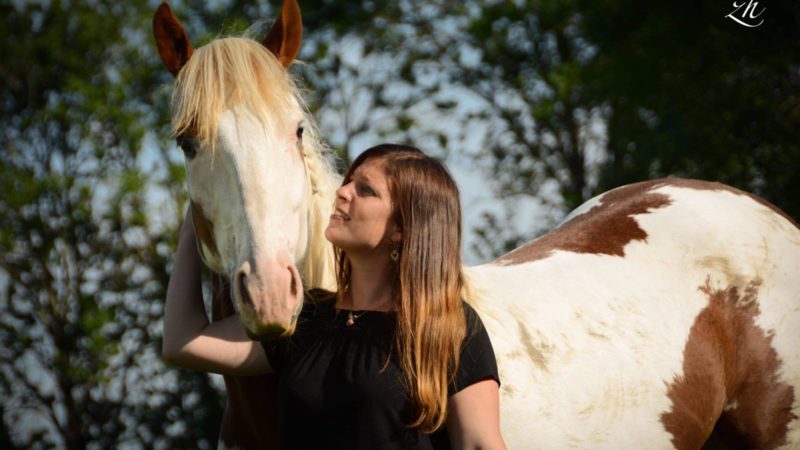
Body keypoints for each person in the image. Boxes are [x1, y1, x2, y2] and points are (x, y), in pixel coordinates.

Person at [163, 144, 505, 449]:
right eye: (349, 181)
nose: (342, 192)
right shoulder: (305, 319)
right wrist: (196, 219)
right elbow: (183, 341)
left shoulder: (447, 325)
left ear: (402, 229)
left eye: (366, 190)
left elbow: (478, 444)